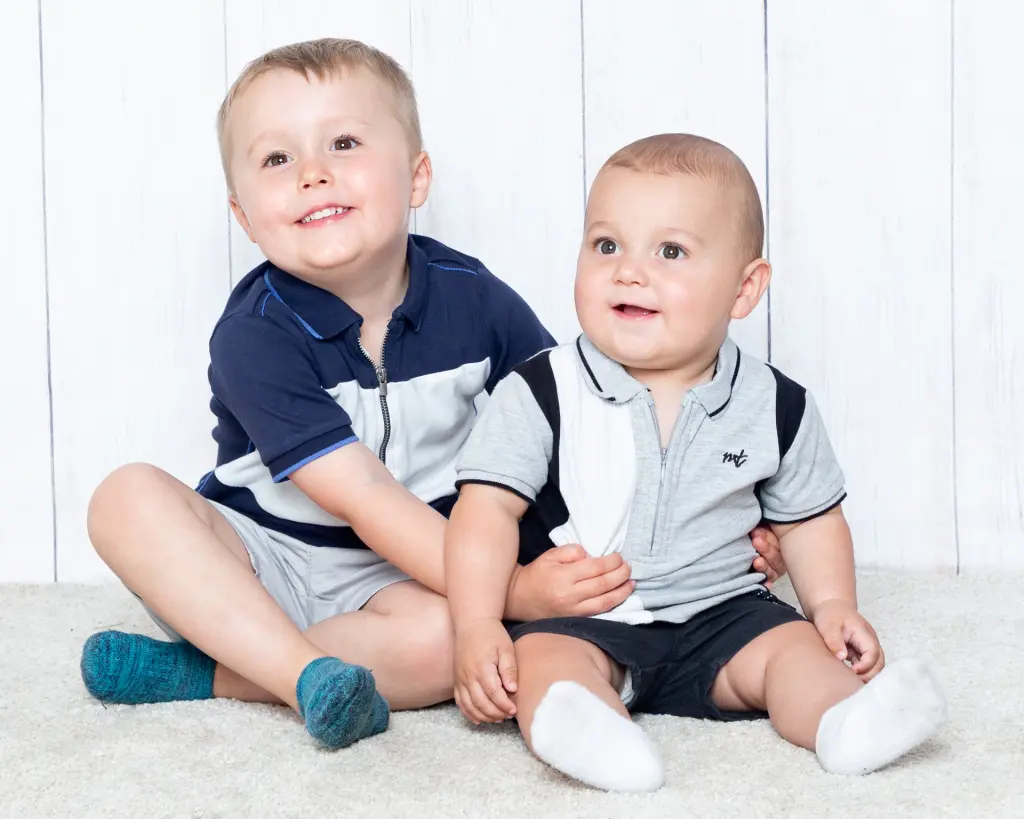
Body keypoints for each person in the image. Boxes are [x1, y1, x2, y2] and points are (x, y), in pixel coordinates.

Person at [79, 39, 785, 750]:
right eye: (277, 159)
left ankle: (211, 673)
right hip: (261, 559)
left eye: (344, 142)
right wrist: (511, 588)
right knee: (125, 496)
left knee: (452, 639)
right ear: (242, 213)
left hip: (408, 580)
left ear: (417, 177)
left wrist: (706, 523)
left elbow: (583, 423)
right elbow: (363, 495)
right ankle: (299, 671)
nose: (313, 175)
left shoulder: (473, 300)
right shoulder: (254, 335)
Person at [445, 133, 947, 791]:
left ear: (744, 289)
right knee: (542, 659)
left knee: (794, 650)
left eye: (671, 251)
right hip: (585, 616)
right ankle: (593, 734)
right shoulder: (542, 390)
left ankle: (846, 722)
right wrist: (478, 623)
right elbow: (484, 514)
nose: (628, 270)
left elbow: (811, 519)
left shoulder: (775, 404)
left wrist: (831, 605)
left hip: (724, 612)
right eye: (606, 245)